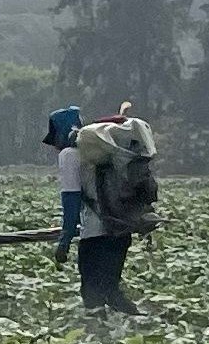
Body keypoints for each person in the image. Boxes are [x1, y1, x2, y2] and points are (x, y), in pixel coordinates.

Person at [44, 104, 141, 315]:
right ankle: (139, 325)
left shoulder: (70, 155)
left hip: (96, 234)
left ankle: (99, 337)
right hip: (120, 230)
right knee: (111, 291)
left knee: (92, 295)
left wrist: (65, 239)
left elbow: (71, 198)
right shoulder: (105, 151)